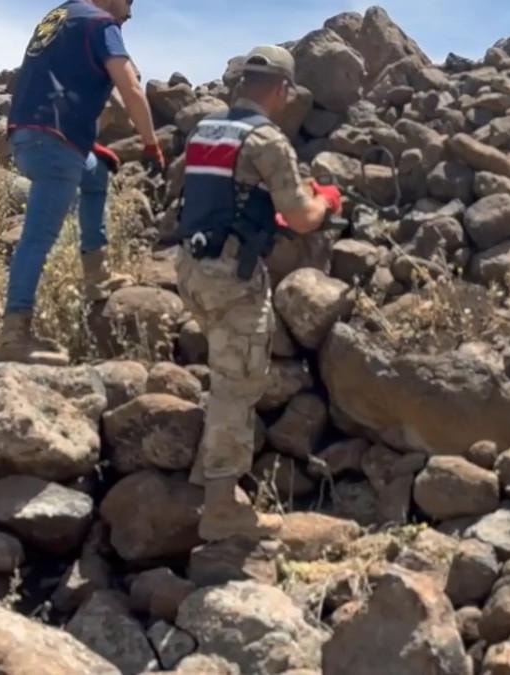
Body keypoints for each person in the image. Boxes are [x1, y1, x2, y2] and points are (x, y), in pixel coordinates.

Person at [175, 45, 342, 541]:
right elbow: (302, 217)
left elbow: (222, 194)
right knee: (238, 384)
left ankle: (207, 476)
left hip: (192, 269)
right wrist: (326, 201)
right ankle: (221, 508)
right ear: (283, 90)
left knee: (225, 370)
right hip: (232, 280)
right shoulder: (267, 139)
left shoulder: (206, 130)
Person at [0, 0, 165, 365]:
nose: (130, 13)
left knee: (95, 170)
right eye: (129, 3)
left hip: (28, 136)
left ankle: (96, 275)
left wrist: (85, 141)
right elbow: (130, 89)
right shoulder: (101, 24)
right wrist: (152, 144)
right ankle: (14, 334)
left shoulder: (59, 17)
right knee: (37, 238)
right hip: (54, 144)